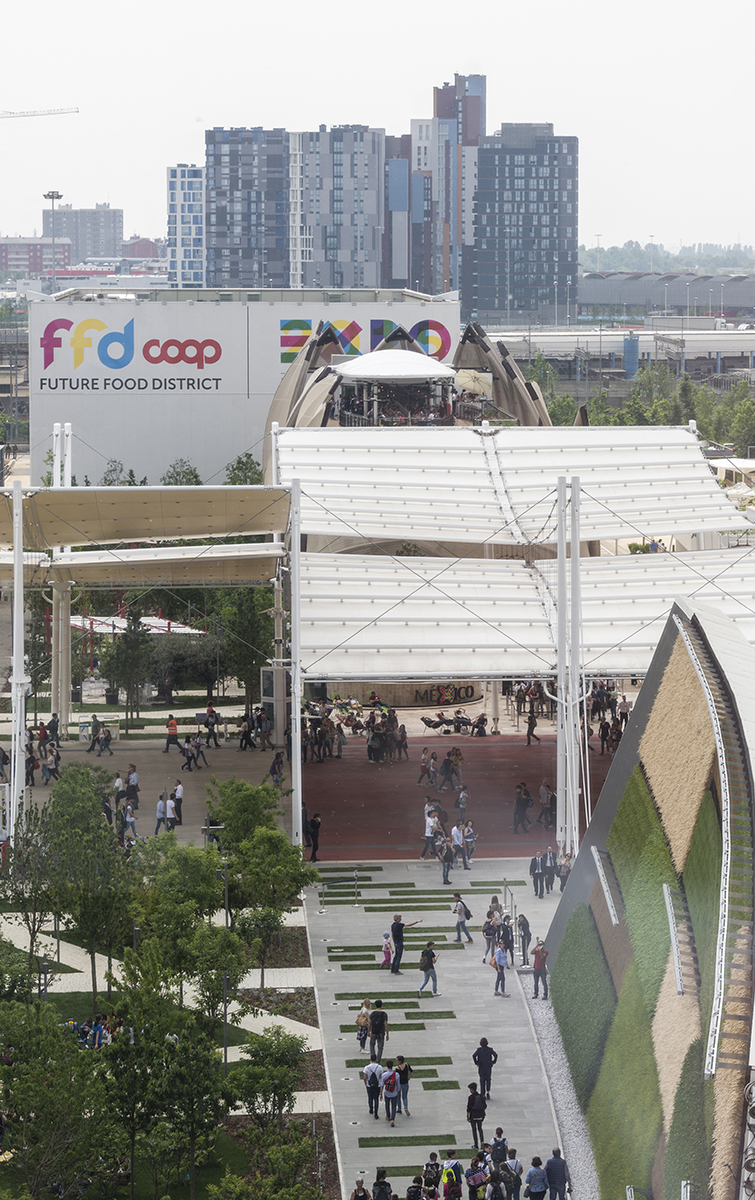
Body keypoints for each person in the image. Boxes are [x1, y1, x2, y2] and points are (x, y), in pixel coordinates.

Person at [466, 1082, 486, 1150]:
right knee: (480, 1129)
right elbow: (485, 1106)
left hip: (473, 1116)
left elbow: (468, 1107)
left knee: (474, 1130)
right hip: (480, 1116)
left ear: (472, 1089)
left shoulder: (471, 1097)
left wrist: (468, 1116)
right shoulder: (481, 1096)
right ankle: (482, 1142)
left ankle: (476, 1144)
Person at [380, 1057, 400, 1125]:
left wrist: (381, 1093)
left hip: (387, 1092)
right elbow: (398, 1084)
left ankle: (388, 1116)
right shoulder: (396, 1075)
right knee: (394, 1106)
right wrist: (398, 1090)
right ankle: (393, 1119)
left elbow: (382, 1085)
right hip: (394, 1093)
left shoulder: (384, 1075)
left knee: (387, 1105)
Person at [363, 1054, 382, 1119]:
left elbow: (365, 1077)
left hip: (369, 1085)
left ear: (370, 1059)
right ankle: (376, 1113)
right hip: (377, 1085)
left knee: (370, 1097)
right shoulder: (379, 1067)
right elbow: (381, 1077)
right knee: (376, 1099)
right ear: (376, 1059)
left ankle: (371, 1109)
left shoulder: (367, 1067)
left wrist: (366, 1084)